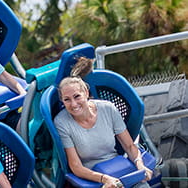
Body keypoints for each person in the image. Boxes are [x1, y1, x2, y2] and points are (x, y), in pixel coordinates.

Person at [54, 57, 153, 188]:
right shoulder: (62, 122)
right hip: (92, 176)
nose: (73, 104)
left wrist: (140, 165)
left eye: (77, 96)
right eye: (67, 100)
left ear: (86, 93)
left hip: (117, 166)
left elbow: (129, 146)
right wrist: (104, 179)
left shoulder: (108, 108)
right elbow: (76, 166)